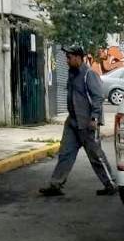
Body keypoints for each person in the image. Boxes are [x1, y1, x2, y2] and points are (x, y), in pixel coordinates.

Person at [40, 45, 116, 197]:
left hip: (87, 123)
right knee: (65, 154)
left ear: (78, 58)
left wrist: (94, 118)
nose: (67, 61)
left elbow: (98, 97)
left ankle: (111, 184)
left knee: (96, 156)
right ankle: (55, 185)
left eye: (69, 58)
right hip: (73, 122)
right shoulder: (72, 74)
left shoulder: (89, 75)